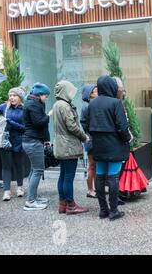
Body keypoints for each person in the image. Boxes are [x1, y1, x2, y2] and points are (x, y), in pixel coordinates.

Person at [83, 75, 131, 221]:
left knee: (100, 175)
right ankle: (114, 211)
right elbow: (122, 127)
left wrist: (94, 134)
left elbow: (85, 123)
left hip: (98, 145)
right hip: (114, 145)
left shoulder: (92, 104)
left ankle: (103, 210)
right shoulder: (116, 103)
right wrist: (127, 139)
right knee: (113, 177)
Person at [53, 80, 89, 215]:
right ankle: (71, 206)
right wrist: (84, 137)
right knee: (68, 177)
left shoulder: (57, 104)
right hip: (69, 145)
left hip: (61, 144)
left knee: (62, 175)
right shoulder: (65, 106)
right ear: (65, 91)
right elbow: (72, 126)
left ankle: (62, 204)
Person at [0, 87, 26, 201]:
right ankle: (6, 191)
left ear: (20, 98)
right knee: (6, 166)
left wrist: (10, 122)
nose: (12, 98)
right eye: (10, 95)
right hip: (4, 140)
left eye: (14, 95)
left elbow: (25, 128)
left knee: (19, 165)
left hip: (19, 141)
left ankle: (20, 187)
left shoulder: (24, 109)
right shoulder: (4, 107)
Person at [22, 83, 51, 211]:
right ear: (40, 95)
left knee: (34, 170)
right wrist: (49, 115)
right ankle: (30, 201)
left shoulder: (34, 102)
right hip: (32, 142)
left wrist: (46, 140)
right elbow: (39, 123)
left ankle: (33, 196)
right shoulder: (33, 104)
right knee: (38, 170)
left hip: (32, 141)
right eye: (46, 95)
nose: (46, 98)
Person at [80, 84, 98, 198]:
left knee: (94, 165)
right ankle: (90, 190)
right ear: (90, 94)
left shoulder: (89, 105)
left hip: (91, 138)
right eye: (96, 91)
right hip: (91, 138)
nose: (98, 93)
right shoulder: (88, 106)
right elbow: (85, 124)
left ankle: (95, 188)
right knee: (91, 165)